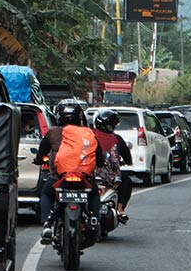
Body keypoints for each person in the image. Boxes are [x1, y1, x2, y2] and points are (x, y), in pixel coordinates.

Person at [34, 102, 104, 244]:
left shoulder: (53, 132)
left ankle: (47, 223)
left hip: (58, 177)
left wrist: (39, 160)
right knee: (94, 194)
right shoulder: (88, 134)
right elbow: (100, 158)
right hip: (85, 177)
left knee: (46, 193)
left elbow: (42, 151)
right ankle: (95, 220)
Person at [92, 108, 134, 223]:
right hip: (110, 178)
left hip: (88, 174)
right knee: (126, 181)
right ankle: (120, 209)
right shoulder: (117, 139)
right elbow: (128, 159)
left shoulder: (89, 136)